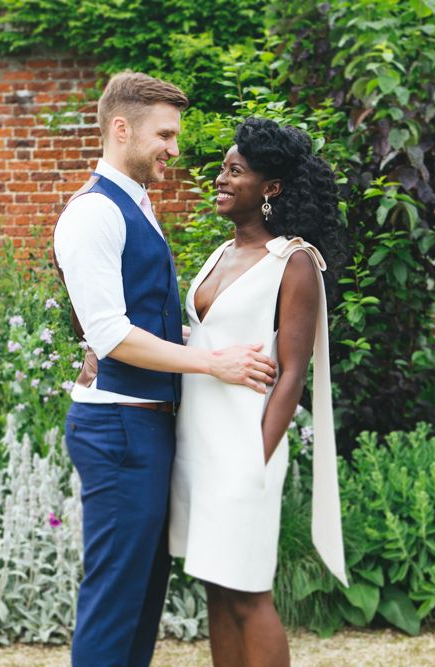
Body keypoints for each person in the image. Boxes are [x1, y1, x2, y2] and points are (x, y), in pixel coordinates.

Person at [53, 74, 278, 667]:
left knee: (142, 602)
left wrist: (197, 338)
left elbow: (134, 319)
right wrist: (212, 362)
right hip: (118, 429)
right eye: (165, 134)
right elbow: (108, 334)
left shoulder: (136, 203)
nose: (174, 149)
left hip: (147, 427)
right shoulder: (93, 214)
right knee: (114, 601)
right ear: (121, 129)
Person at [169, 117, 349, 667]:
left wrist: (257, 458)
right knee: (216, 587)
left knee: (249, 592)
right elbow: (210, 339)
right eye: (223, 169)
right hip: (198, 447)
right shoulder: (218, 256)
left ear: (270, 188)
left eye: (235, 171)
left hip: (247, 448)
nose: (221, 179)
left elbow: (293, 372)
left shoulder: (293, 261)